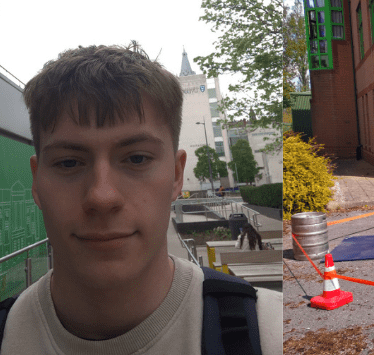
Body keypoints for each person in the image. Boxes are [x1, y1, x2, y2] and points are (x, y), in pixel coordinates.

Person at [2, 45, 282, 354]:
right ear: (36, 181)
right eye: (69, 163)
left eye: (136, 158)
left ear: (177, 176)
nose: (102, 196)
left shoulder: (271, 332)